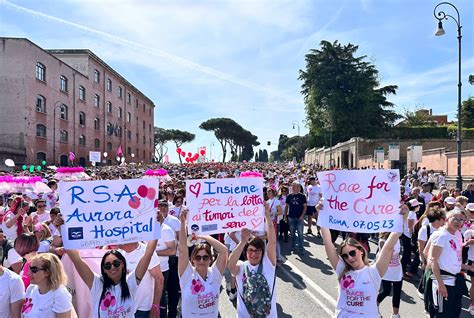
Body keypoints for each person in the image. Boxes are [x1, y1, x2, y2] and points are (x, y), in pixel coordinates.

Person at [321, 222, 402, 317]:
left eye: (352, 253)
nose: (349, 258)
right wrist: (322, 217)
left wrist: (400, 218)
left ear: (361, 251)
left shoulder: (374, 271)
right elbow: (327, 242)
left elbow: (388, 247)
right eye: (345, 256)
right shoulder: (341, 270)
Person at [66, 238, 158, 318]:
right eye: (107, 266)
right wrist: (62, 230)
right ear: (103, 269)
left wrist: (157, 225)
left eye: (116, 263)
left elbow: (148, 254)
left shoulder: (130, 282)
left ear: (122, 264)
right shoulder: (97, 283)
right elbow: (76, 259)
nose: (112, 268)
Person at [228, 204, 277, 317]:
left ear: (262, 252)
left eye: (258, 251)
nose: (254, 254)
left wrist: (267, 217)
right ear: (245, 252)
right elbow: (230, 264)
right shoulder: (241, 266)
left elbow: (272, 242)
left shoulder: (268, 264)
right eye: (250, 250)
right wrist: (243, 242)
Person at [177, 209, 228, 317]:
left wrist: (203, 236)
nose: (201, 260)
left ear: (210, 259)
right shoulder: (187, 274)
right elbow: (182, 249)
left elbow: (224, 251)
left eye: (205, 257)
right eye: (198, 257)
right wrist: (183, 223)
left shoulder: (215, 274)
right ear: (192, 260)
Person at [426, 209, 469, 317]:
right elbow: (433, 260)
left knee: (454, 313)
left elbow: (452, 259)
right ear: (447, 219)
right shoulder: (441, 235)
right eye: (455, 218)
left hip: (454, 281)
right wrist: (440, 284)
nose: (458, 222)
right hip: (443, 282)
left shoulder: (456, 235)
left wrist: (468, 267)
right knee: (442, 314)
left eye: (461, 220)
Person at [118, 241, 164, 318]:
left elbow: (159, 279)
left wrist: (155, 306)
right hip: (124, 308)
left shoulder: (145, 251)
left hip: (142, 309)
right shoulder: (118, 254)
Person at [22, 253, 73, 317]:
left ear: (47, 272)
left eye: (34, 269)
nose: (29, 273)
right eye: (30, 268)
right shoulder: (31, 288)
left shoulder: (60, 294)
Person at [376, 232, 403, 318]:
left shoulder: (397, 238)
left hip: (397, 270)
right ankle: (374, 305)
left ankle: (395, 314)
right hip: (386, 270)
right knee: (386, 291)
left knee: (397, 292)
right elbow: (387, 254)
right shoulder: (382, 240)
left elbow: (398, 253)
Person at [285, 181, 307, 255]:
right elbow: (286, 206)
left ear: (300, 188)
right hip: (291, 217)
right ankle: (293, 247)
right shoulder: (289, 196)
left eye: (297, 187)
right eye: (294, 187)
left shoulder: (302, 196)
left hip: (299, 218)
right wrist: (285, 215)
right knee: (292, 233)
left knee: (300, 234)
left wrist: (302, 216)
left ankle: (301, 249)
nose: (295, 188)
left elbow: (305, 207)